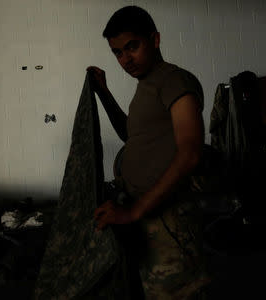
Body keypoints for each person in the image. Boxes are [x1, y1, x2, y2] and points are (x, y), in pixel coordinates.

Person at [89, 6, 210, 299]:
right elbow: (131, 135)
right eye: (117, 52)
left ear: (154, 40)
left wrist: (133, 212)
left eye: (133, 46)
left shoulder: (174, 81)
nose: (125, 59)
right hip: (146, 218)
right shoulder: (147, 85)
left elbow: (191, 152)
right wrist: (104, 92)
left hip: (167, 221)